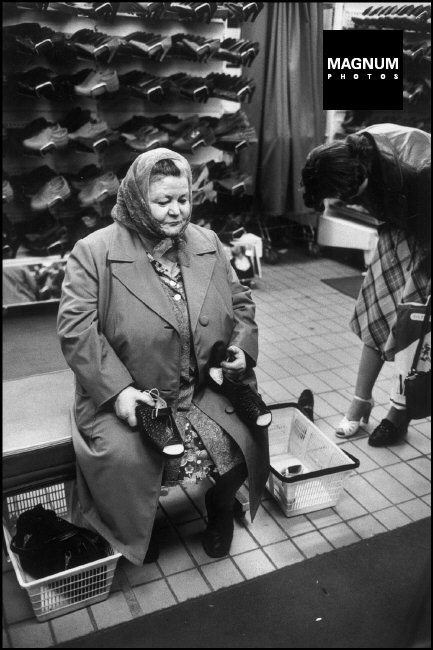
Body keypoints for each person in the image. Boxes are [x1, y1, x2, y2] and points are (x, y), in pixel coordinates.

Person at [57, 148, 270, 566]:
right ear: (138, 199)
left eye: (183, 199)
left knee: (245, 437)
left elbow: (242, 304)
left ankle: (221, 505)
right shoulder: (94, 251)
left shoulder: (206, 242)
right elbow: (76, 330)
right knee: (125, 457)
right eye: (163, 201)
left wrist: (242, 350)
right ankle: (139, 523)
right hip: (135, 395)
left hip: (205, 387)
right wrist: (118, 392)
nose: (176, 211)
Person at [301, 123, 431, 447]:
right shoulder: (356, 153)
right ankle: (361, 401)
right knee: (377, 314)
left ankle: (398, 414)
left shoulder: (418, 165)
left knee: (413, 329)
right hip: (402, 224)